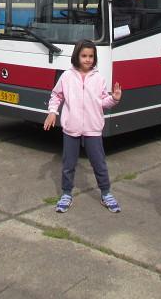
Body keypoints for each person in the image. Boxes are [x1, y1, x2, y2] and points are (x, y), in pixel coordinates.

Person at [43, 39, 122, 214]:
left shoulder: (99, 78)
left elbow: (103, 102)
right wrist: (52, 112)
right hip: (71, 128)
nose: (87, 59)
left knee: (99, 163)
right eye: (84, 56)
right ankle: (66, 194)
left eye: (91, 56)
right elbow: (56, 96)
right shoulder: (67, 76)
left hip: (93, 128)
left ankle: (106, 193)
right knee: (68, 163)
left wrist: (114, 98)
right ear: (77, 56)